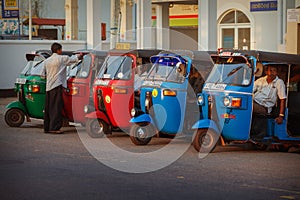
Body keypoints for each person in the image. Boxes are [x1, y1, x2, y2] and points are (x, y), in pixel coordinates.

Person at [43, 42, 82, 134]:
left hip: (49, 87)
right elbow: (73, 59)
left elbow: (42, 74)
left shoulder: (46, 61)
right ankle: (54, 128)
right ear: (58, 50)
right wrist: (80, 56)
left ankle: (47, 127)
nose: (61, 51)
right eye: (61, 49)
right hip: (57, 85)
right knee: (56, 108)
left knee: (49, 108)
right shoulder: (61, 59)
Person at [251, 64, 287, 138]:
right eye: (270, 70)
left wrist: (281, 116)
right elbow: (250, 90)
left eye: (274, 71)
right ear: (266, 71)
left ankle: (256, 133)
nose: (272, 73)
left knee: (248, 106)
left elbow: (282, 99)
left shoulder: (279, 82)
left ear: (277, 73)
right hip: (254, 101)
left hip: (264, 107)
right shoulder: (261, 80)